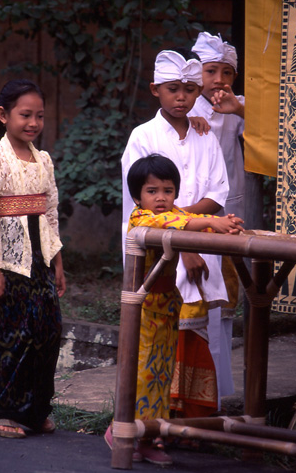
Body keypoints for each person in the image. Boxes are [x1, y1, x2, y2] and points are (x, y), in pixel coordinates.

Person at [121, 49, 237, 424]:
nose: (182, 97)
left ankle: (192, 419)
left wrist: (191, 230)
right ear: (156, 90)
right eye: (174, 89)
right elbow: (142, 204)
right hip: (160, 254)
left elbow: (218, 193)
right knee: (154, 342)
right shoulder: (143, 136)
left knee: (198, 331)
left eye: (189, 89)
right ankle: (148, 422)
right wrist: (184, 243)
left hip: (203, 243)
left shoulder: (205, 134)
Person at [105, 154, 243, 465]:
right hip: (142, 309)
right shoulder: (141, 219)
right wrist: (210, 220)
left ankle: (150, 435)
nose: (161, 198)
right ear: (138, 196)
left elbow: (190, 225)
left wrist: (226, 226)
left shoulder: (176, 214)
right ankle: (123, 430)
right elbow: (177, 223)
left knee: (162, 374)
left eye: (167, 190)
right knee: (143, 373)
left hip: (168, 307)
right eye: (152, 191)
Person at [0, 79, 66, 439]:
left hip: (40, 260)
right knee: (13, 337)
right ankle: (5, 414)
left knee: (47, 332)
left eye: (39, 116)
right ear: (3, 115)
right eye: (25, 114)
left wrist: (57, 260)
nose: (33, 122)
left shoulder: (43, 159)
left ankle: (36, 410)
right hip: (9, 267)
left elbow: (51, 212)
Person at [190, 31, 245, 404]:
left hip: (231, 210)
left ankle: (222, 393)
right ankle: (195, 394)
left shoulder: (237, 107)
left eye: (227, 73)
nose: (220, 80)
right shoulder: (186, 106)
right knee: (196, 297)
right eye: (212, 71)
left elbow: (274, 127)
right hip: (194, 210)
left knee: (224, 298)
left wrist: (237, 109)